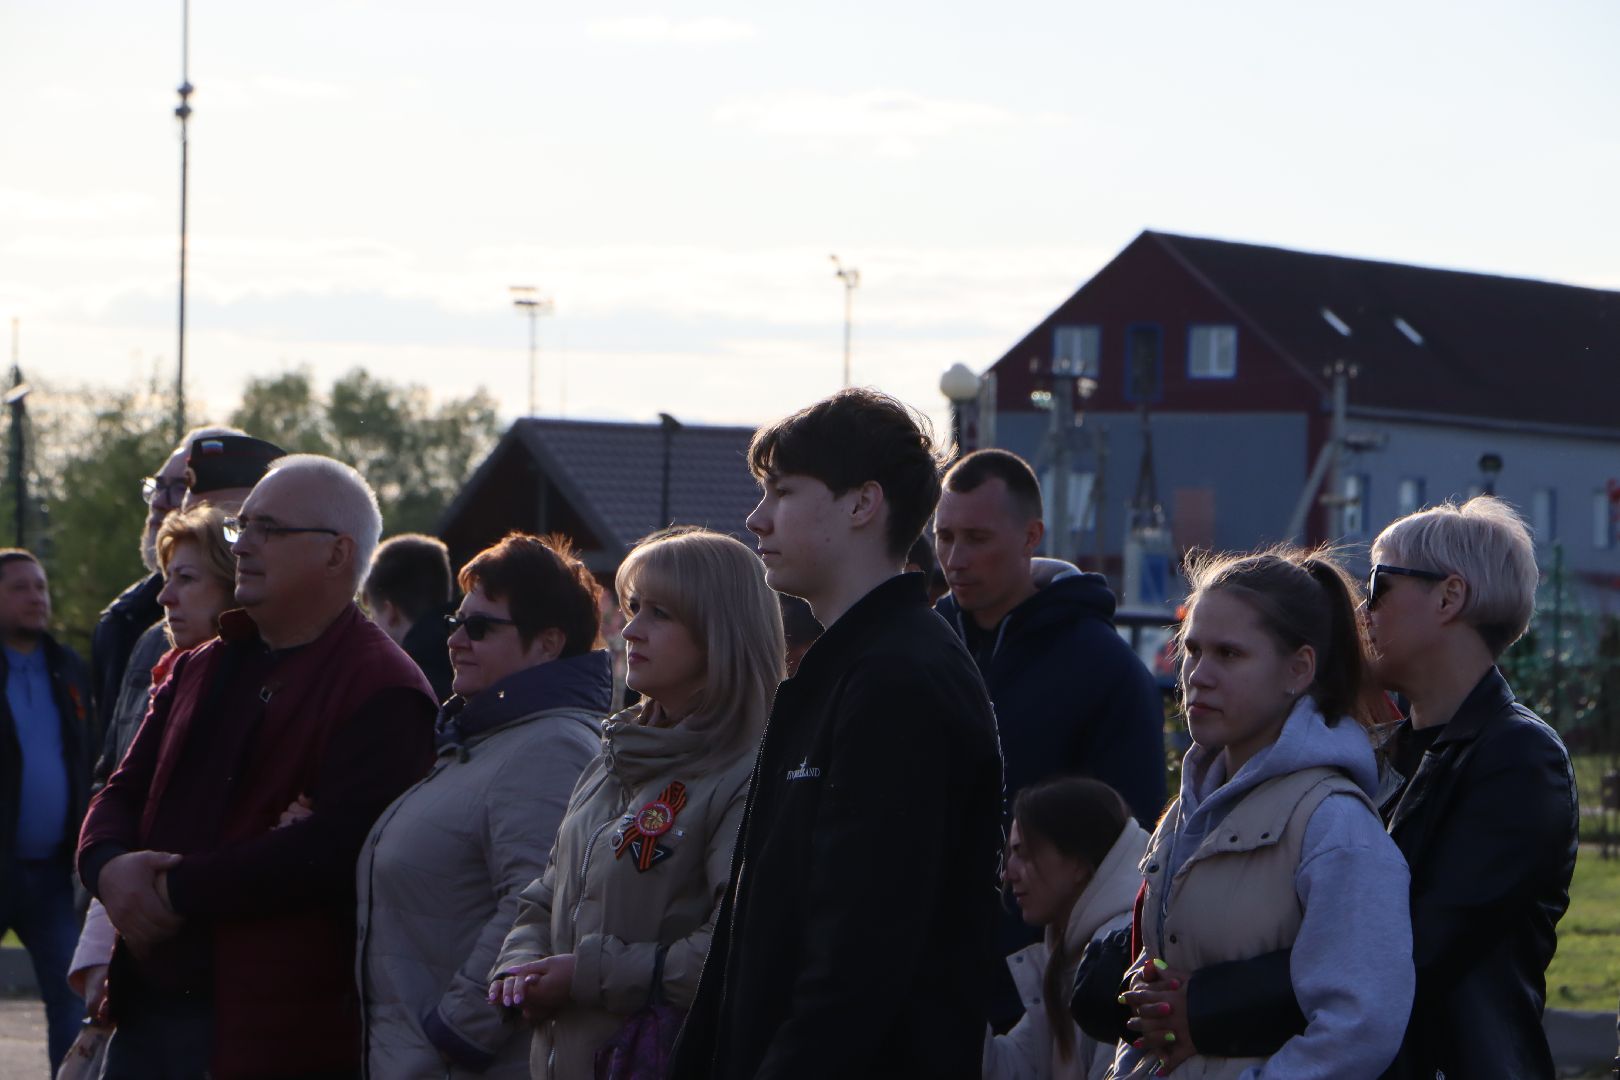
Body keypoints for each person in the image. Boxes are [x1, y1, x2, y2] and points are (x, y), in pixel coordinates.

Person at [670, 389, 1005, 1080]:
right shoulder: (850, 668)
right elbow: (757, 932)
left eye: (783, 491)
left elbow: (860, 952)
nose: (755, 517)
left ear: (862, 504)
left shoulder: (898, 680)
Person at [77, 454, 437, 1079]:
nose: (243, 545)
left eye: (269, 528)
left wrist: (170, 890)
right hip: (147, 1007)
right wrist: (108, 869)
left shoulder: (383, 688)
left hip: (266, 1027)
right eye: (244, 527)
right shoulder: (201, 663)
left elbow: (330, 853)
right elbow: (122, 789)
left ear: (337, 554)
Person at [489, 527, 784, 1078]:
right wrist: (519, 968)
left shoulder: (749, 774)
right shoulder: (614, 756)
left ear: (720, 632)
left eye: (661, 614)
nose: (630, 629)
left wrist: (584, 975)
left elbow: (734, 949)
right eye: (632, 607)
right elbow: (547, 892)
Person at [1112, 547, 1412, 1079]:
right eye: (1192, 649)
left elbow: (1360, 1028)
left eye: (1229, 654)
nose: (1197, 675)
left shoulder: (1334, 826)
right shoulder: (1188, 808)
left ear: (1297, 669)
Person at [356, 532, 612, 1077]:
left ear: (547, 643)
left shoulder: (552, 747)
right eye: (456, 623)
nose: (456, 641)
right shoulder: (484, 736)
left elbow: (534, 907)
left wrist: (455, 1036)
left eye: (479, 627)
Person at [933, 448, 1166, 1030]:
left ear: (1031, 535)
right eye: (944, 537)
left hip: (1042, 976)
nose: (955, 558)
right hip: (924, 952)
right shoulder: (925, 650)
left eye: (977, 537)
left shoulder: (1104, 670)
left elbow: (1128, 844)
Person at [1363, 497, 1577, 1077]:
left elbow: (1411, 950)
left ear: (1449, 597)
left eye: (1380, 582)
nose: (1364, 608)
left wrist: (1211, 1003)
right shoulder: (1380, 752)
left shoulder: (1520, 759)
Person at [65, 506, 238, 1065]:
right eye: (167, 579)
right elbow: (120, 791)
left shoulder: (264, 689)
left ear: (234, 586)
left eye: (186, 579)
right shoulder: (166, 666)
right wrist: (106, 879)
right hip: (138, 959)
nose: (165, 598)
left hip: (207, 977)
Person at [89, 434, 286, 797]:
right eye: (193, 510)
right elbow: (112, 773)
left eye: (228, 523)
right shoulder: (144, 634)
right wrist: (106, 850)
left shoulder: (292, 645)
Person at [983, 778, 1148, 1080]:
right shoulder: (1067, 958)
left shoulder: (1121, 955)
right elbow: (1011, 1069)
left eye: (1024, 852)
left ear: (1077, 862)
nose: (1009, 873)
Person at [0, 550, 94, 1073]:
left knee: (71, 999)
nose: (37, 597)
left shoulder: (69, 668)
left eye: (41, 586)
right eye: (20, 587)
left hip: (56, 876)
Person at [89, 425, 243, 736]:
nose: (159, 502)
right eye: (158, 485)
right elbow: (110, 767)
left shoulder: (274, 638)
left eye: (182, 486)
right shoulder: (124, 622)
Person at [363, 532, 456, 701]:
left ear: (390, 611)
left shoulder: (397, 689)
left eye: (373, 614)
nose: (372, 623)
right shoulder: (481, 661)